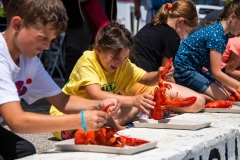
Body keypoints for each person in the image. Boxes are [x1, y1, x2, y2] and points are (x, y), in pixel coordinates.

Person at [0, 0, 120, 159]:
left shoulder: (30, 60)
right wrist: (80, 120)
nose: (47, 47)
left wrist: (99, 105)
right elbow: (16, 121)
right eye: (43, 37)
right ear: (17, 25)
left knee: (25, 151)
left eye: (51, 39)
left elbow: (62, 100)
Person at [50, 20, 205, 140]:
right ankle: (95, 128)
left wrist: (159, 74)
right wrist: (133, 100)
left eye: (124, 58)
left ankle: (104, 126)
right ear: (98, 50)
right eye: (114, 58)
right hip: (66, 115)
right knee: (131, 105)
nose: (119, 63)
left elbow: (145, 78)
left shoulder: (123, 64)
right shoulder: (88, 60)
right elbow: (97, 95)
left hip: (99, 113)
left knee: (136, 108)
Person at [122, 0, 204, 119]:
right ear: (180, 22)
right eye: (186, 30)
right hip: (142, 86)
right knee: (199, 101)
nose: (184, 35)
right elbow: (166, 75)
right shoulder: (172, 37)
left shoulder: (150, 26)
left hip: (124, 85)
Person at [173, 0, 240, 102]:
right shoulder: (217, 35)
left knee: (227, 94)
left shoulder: (222, 33)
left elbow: (211, 67)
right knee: (222, 97)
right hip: (184, 69)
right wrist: (237, 85)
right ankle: (183, 93)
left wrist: (225, 85)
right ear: (232, 17)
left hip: (195, 68)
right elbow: (216, 72)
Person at [62, 0, 117, 83]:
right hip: (78, 14)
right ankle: (71, 92)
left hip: (103, 12)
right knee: (76, 56)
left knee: (101, 56)